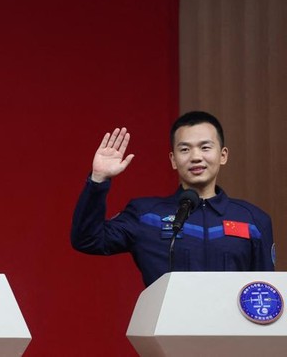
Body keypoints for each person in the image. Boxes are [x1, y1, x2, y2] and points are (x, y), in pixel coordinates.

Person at [71, 111, 275, 286]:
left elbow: (265, 292)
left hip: (231, 331)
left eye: (205, 147)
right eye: (184, 149)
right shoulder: (146, 215)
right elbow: (88, 240)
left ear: (223, 155)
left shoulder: (253, 220)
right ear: (173, 160)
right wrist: (99, 179)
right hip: (167, 331)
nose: (195, 157)